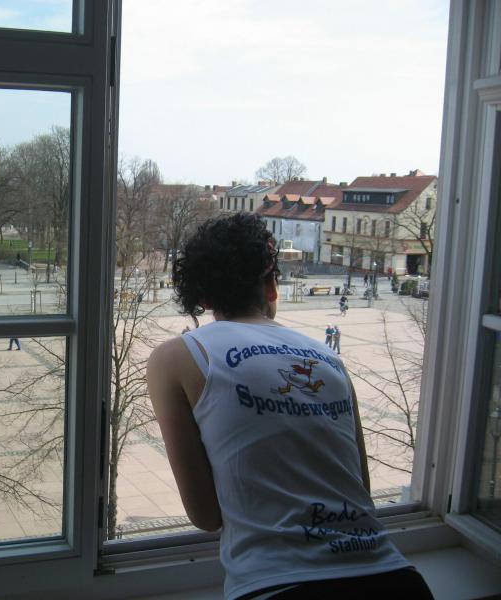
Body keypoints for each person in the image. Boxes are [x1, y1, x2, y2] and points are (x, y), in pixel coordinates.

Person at [146, 214, 432, 600]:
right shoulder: (330, 361)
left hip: (277, 583)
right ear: (271, 286)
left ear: (204, 297)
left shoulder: (175, 358)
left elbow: (206, 516)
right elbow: (359, 490)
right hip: (396, 577)